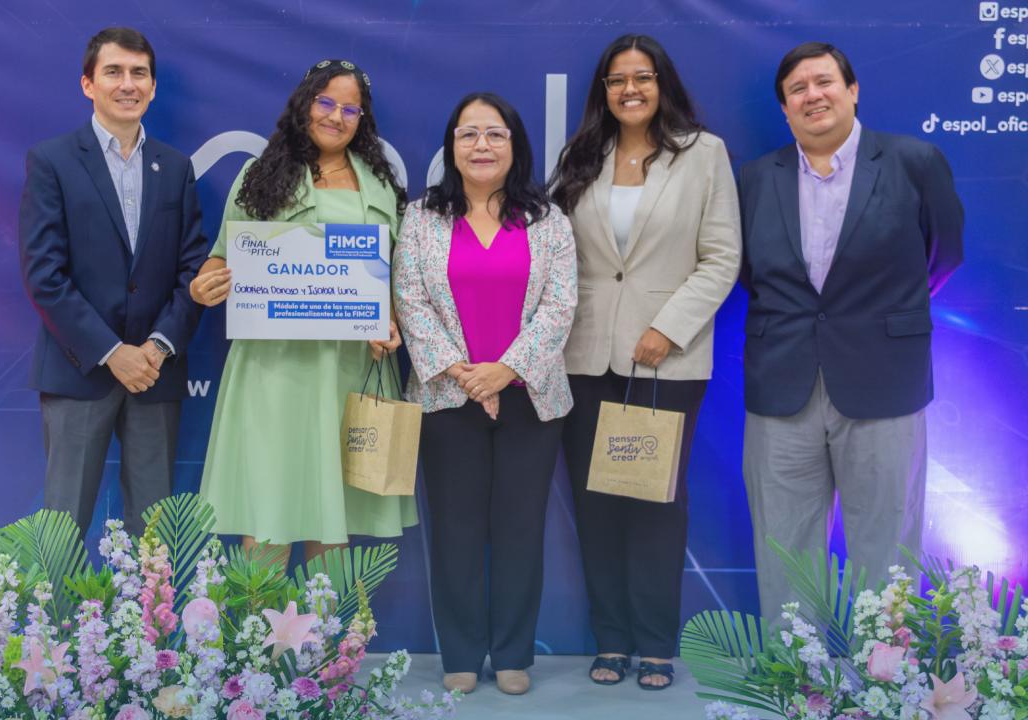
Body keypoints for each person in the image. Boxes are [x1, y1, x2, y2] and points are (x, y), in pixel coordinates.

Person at [739, 42, 963, 623]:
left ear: (852, 89)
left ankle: (885, 687)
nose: (812, 95)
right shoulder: (757, 179)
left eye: (824, 82)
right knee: (784, 547)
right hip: (782, 384)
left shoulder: (914, 161)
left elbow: (942, 255)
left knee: (887, 547)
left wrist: (882, 319)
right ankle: (797, 684)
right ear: (785, 109)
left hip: (884, 381)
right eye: (797, 90)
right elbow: (745, 271)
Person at [550, 34, 741, 690]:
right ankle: (612, 640)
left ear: (662, 83)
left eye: (642, 77)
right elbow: (556, 258)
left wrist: (668, 326)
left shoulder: (703, 155)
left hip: (665, 360)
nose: (629, 89)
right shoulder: (580, 157)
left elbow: (722, 256)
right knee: (595, 502)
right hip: (583, 356)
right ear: (602, 91)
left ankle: (656, 644)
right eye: (616, 80)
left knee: (657, 505)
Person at [193, 60, 416, 569]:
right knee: (268, 508)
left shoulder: (380, 186)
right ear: (304, 104)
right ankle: (259, 649)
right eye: (326, 102)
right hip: (274, 371)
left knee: (332, 512)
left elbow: (399, 278)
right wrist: (206, 284)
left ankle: (322, 648)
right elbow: (223, 256)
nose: (336, 116)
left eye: (350, 108)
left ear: (363, 118)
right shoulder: (259, 175)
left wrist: (391, 320)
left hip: (349, 368)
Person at [393, 92, 576, 696]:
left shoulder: (548, 220)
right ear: (451, 146)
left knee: (522, 530)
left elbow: (560, 305)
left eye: (494, 134)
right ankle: (463, 654)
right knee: (455, 532)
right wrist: (464, 374)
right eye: (468, 135)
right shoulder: (421, 218)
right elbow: (410, 301)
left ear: (515, 145)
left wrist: (506, 371)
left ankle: (515, 652)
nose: (481, 146)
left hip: (531, 399)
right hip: (449, 400)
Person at [19, 27, 208, 538]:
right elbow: (44, 275)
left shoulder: (175, 166)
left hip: (155, 371)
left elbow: (193, 270)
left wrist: (157, 346)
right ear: (88, 84)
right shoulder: (52, 161)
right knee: (63, 527)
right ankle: (52, 621)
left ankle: (150, 623)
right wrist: (111, 351)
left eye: (139, 73)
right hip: (79, 370)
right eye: (114, 72)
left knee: (154, 535)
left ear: (152, 87)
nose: (128, 84)